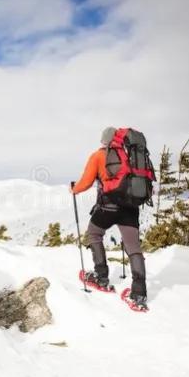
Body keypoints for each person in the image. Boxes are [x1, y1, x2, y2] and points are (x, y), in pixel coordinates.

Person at [71, 127, 147, 308]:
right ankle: (139, 294)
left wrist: (74, 189)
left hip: (109, 206)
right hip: (131, 207)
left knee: (94, 233)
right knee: (133, 246)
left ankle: (101, 276)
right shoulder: (131, 156)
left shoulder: (98, 156)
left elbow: (86, 182)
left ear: (104, 140)